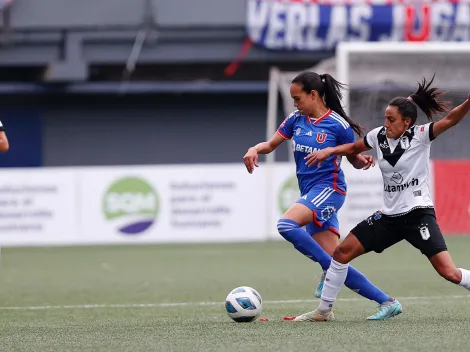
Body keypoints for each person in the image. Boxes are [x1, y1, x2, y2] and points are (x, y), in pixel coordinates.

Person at [296, 76, 470, 322]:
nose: (385, 123)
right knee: (341, 253)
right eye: (385, 118)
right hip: (388, 218)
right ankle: (323, 312)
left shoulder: (421, 135)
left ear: (407, 122)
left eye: (391, 119)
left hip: (418, 215)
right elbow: (354, 148)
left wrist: (468, 103)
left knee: (449, 272)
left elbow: (451, 119)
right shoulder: (378, 136)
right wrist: (331, 151)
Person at [243, 71, 401, 320]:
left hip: (330, 190)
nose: (295, 104)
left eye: (298, 98)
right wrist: (254, 149)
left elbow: (353, 159)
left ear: (313, 95)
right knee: (337, 259)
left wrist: (363, 161)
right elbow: (270, 145)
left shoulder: (338, 125)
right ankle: (387, 302)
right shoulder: (296, 119)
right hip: (311, 192)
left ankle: (328, 272)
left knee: (286, 225)